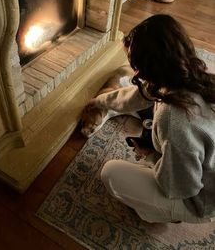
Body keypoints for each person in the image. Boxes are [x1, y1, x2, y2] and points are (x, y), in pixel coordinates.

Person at [88, 14, 215, 223]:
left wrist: (149, 156)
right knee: (138, 103)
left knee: (111, 173)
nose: (135, 70)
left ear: (148, 68)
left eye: (135, 64)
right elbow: (136, 96)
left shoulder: (173, 119)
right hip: (201, 163)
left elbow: (179, 187)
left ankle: (158, 213)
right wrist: (100, 102)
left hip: (199, 200)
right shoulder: (191, 71)